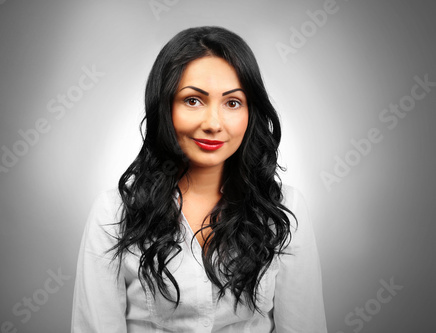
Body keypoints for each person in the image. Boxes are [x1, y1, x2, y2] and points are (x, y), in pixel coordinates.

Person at [71, 26, 327, 332]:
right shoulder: (114, 211)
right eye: (193, 100)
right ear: (165, 107)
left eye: (232, 103)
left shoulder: (284, 208)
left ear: (251, 112)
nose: (213, 124)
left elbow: (304, 326)